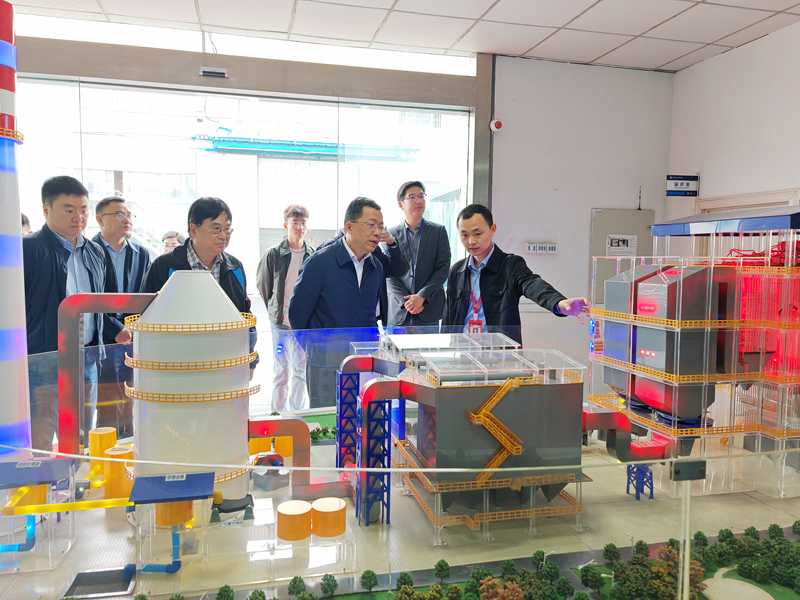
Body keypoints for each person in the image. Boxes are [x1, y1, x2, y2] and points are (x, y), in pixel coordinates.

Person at [289, 197, 401, 407]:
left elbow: (375, 315)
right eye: (371, 225)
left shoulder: (376, 267)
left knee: (365, 416)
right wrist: (316, 349)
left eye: (380, 227)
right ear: (349, 227)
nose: (378, 233)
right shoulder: (319, 263)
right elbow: (297, 315)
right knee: (327, 419)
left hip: (365, 361)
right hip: (325, 365)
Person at [23, 176, 108, 451]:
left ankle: (76, 478)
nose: (78, 217)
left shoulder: (95, 251)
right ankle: (41, 479)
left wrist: (114, 329)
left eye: (83, 210)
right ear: (46, 209)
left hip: (86, 358)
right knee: (41, 439)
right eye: (69, 210)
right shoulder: (28, 249)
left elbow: (97, 305)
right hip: (44, 359)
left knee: (82, 439)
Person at [142, 197, 258, 377]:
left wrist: (250, 360)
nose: (223, 236)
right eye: (216, 228)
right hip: (175, 366)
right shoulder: (165, 266)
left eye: (227, 229)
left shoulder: (234, 267)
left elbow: (244, 315)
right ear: (193, 229)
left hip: (224, 364)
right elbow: (146, 319)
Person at [442, 204, 589, 345]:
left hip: (500, 355)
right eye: (464, 235)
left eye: (477, 234)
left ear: (492, 230)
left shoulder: (510, 265)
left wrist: (558, 303)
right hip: (462, 353)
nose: (471, 241)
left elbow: (532, 284)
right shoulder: (456, 271)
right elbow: (448, 318)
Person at [92, 196, 151, 435]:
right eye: (119, 214)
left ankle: (129, 444)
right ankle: (105, 448)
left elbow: (144, 297)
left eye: (128, 215)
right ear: (100, 219)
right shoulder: (88, 251)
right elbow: (88, 299)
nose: (126, 219)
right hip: (101, 337)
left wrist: (133, 327)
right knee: (107, 401)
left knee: (132, 397)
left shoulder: (141, 253)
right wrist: (115, 329)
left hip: (133, 336)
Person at [256, 205, 314, 412]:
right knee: (281, 371)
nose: (299, 227)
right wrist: (275, 310)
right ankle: (277, 414)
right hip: (280, 323)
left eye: (303, 222)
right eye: (294, 222)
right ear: (285, 225)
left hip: (302, 325)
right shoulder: (273, 254)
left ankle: (296, 412)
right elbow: (263, 285)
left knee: (300, 370)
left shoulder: (313, 255)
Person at [382, 181, 450, 331]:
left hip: (428, 309)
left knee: (429, 347)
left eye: (421, 196)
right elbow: (388, 274)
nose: (418, 201)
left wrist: (422, 296)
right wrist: (407, 302)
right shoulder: (390, 234)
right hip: (399, 311)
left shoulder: (438, 232)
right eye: (412, 197)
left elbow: (443, 268)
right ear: (401, 204)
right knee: (394, 348)